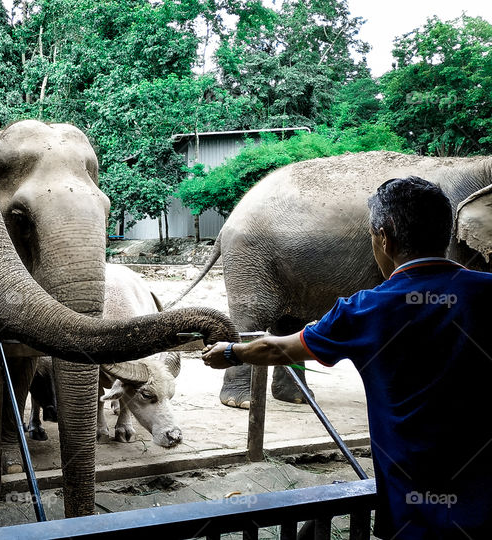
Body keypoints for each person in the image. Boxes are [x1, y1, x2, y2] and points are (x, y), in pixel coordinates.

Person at [202, 176, 492, 539]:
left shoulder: (365, 309)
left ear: (384, 238)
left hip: (415, 513)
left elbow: (277, 348)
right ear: (447, 232)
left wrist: (231, 352)